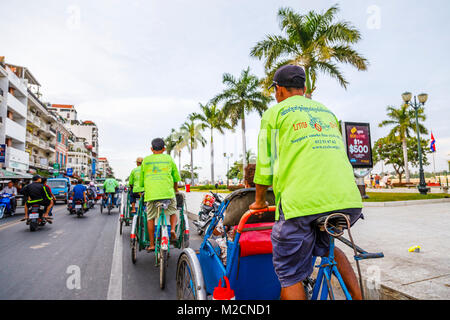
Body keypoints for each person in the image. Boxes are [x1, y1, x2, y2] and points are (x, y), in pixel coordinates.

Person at [249, 64, 363, 300]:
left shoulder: (274, 113)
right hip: (348, 201)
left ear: (279, 89)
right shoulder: (325, 111)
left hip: (301, 205)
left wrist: (259, 201)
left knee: (289, 274)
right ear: (303, 87)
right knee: (328, 248)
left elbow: (264, 165)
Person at [139, 138, 181, 251]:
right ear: (164, 148)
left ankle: (152, 244)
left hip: (151, 195)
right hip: (167, 193)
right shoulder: (169, 159)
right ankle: (172, 229)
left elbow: (142, 182)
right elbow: (175, 178)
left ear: (151, 149)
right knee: (173, 211)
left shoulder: (146, 160)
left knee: (150, 218)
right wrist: (175, 190)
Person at [214, 164, 257, 265]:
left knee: (211, 246)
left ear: (246, 182)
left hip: (238, 253)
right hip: (270, 249)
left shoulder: (237, 202)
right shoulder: (273, 200)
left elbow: (217, 231)